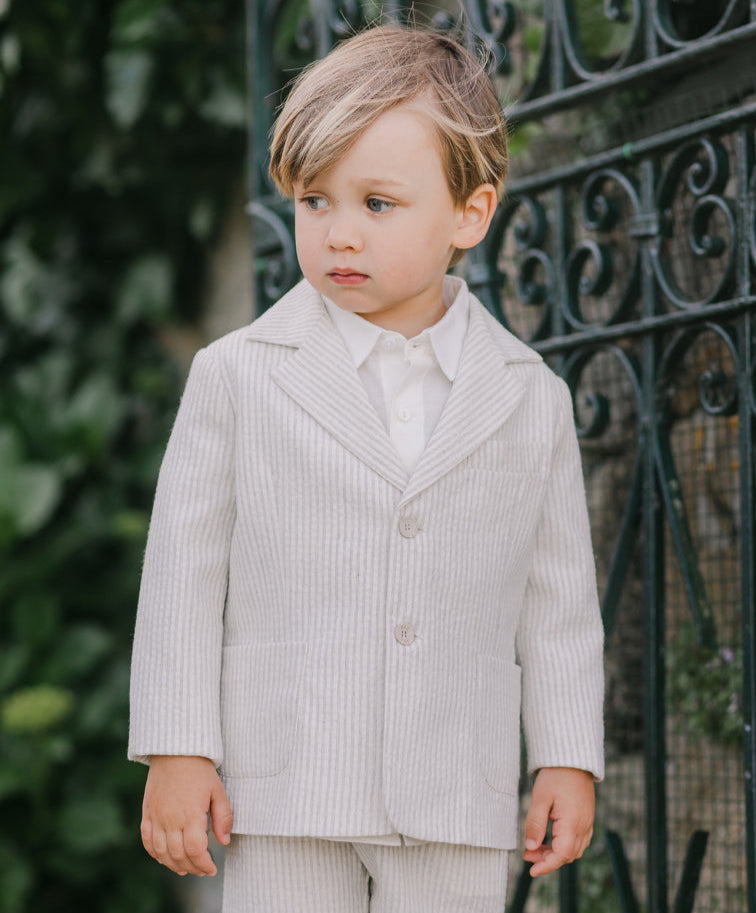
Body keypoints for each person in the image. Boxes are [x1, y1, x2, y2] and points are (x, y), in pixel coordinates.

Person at [129, 23, 604, 913]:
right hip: (285, 780)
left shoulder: (529, 395)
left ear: (470, 214)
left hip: (453, 784)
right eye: (315, 201)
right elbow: (182, 576)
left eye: (378, 204)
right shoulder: (236, 375)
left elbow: (560, 603)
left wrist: (567, 756)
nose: (339, 234)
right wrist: (176, 745)